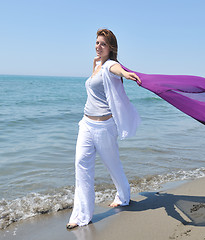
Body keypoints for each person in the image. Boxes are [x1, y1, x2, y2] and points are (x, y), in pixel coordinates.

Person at [66, 29, 141, 229]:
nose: (98, 47)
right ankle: (82, 215)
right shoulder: (96, 63)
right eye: (97, 42)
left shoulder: (110, 65)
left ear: (111, 48)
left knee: (112, 164)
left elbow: (118, 70)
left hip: (104, 126)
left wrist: (126, 73)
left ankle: (124, 195)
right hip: (86, 123)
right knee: (81, 165)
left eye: (103, 44)